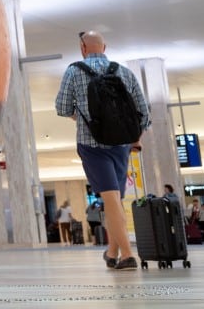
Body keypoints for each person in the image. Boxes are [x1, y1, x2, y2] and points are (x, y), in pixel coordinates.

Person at [55, 30, 150, 270]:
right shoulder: (124, 72)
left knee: (110, 200)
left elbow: (63, 107)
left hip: (92, 144)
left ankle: (128, 255)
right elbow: (144, 112)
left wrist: (81, 118)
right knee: (115, 200)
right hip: (121, 146)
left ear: (82, 48)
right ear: (104, 47)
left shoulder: (74, 71)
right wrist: (133, 137)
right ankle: (112, 251)